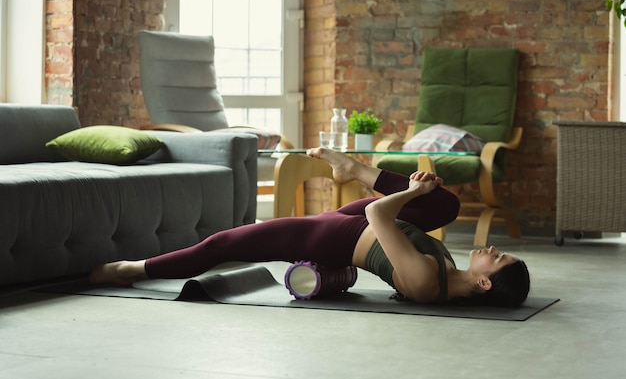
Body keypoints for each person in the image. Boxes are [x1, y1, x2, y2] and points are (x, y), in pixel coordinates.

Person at [90, 147, 530, 307]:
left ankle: (130, 269)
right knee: (447, 203)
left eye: (498, 258)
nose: (492, 249)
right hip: (359, 225)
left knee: (222, 245)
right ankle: (348, 169)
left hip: (335, 236)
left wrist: (413, 194)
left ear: (486, 285)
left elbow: (379, 216)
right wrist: (423, 196)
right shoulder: (447, 275)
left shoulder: (425, 280)